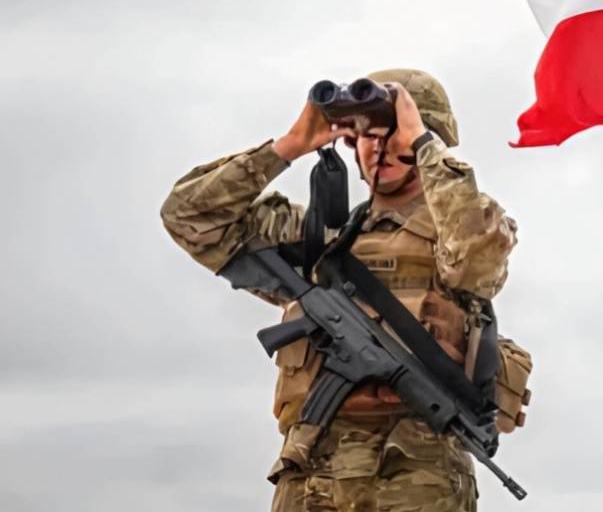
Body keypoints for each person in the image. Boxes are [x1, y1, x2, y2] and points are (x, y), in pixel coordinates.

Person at [161, 69, 520, 512]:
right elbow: (188, 216)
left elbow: (477, 260)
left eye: (393, 134)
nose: (378, 146)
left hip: (417, 474)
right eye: (364, 136)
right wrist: (289, 146)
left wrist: (426, 146)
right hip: (311, 473)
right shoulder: (320, 238)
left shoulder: (465, 231)